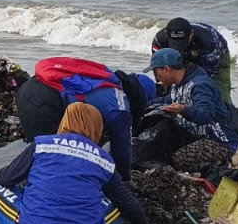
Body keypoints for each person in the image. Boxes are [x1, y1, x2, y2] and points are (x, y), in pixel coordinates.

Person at [0, 103, 157, 224]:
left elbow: (5, 180)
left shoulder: (42, 145)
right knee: (118, 201)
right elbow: (130, 204)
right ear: (97, 127)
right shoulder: (103, 161)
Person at [16, 57, 150, 182]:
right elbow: (122, 148)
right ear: (140, 98)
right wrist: (125, 179)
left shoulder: (110, 79)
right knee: (51, 159)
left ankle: (23, 180)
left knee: (38, 151)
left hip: (29, 89)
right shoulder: (120, 104)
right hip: (43, 102)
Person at [142, 47, 238, 173]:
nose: (156, 77)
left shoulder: (200, 85)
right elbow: (167, 99)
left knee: (179, 160)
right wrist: (144, 105)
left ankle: (219, 163)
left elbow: (205, 115)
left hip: (219, 141)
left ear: (167, 69)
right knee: (160, 150)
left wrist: (183, 109)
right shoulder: (177, 84)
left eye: (156, 72)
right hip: (194, 136)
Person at [151, 17, 232, 105]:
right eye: (174, 43)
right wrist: (164, 87)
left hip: (212, 58)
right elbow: (159, 70)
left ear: (191, 34)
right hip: (178, 58)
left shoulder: (210, 42)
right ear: (167, 34)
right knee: (166, 91)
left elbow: (207, 76)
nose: (178, 48)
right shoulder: (159, 41)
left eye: (182, 43)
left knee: (217, 94)